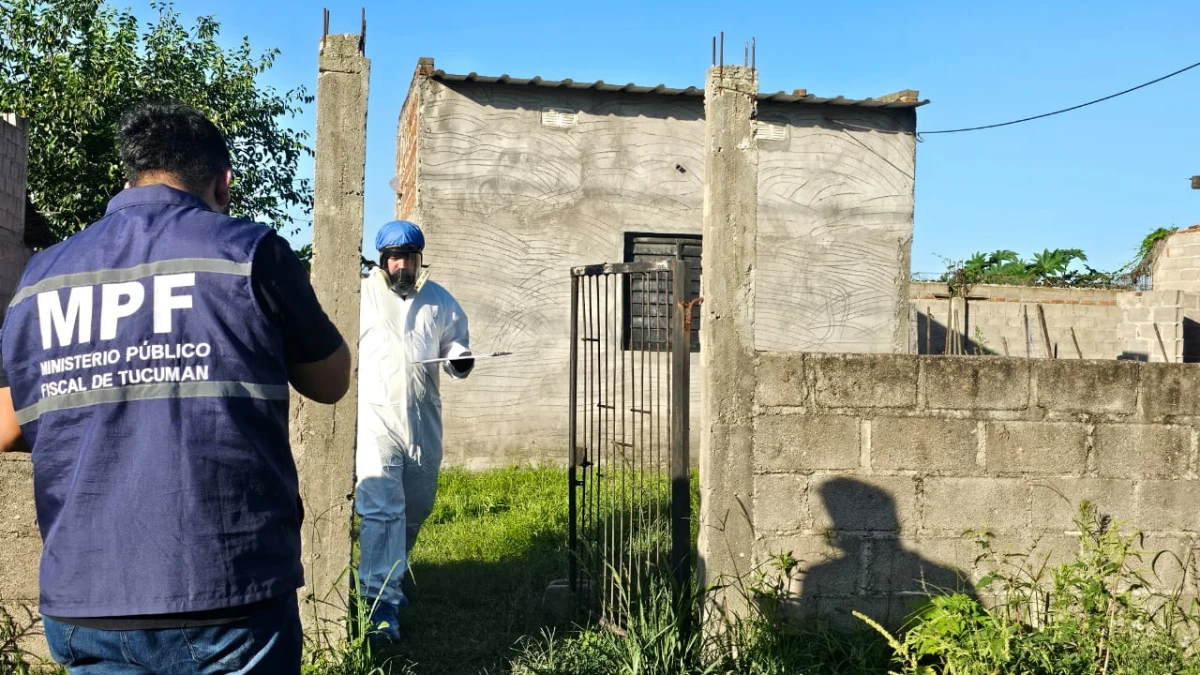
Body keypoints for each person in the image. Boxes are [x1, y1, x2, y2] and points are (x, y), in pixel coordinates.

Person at [0, 102, 351, 673]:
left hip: (87, 597)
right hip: (228, 593)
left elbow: (7, 425)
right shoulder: (251, 253)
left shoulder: (41, 277)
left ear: (128, 176)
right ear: (223, 182)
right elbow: (332, 381)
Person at [356, 220, 474, 641]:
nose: (402, 265)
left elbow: (455, 342)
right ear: (381, 260)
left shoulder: (439, 299)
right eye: (394, 257)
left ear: (420, 258)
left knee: (416, 505)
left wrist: (459, 359)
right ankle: (377, 604)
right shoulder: (361, 296)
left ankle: (391, 576)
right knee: (381, 507)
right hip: (375, 416)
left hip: (423, 419)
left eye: (409, 257)